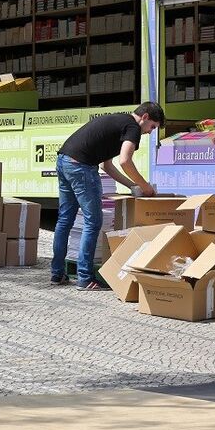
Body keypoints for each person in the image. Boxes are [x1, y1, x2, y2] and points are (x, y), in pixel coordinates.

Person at [51, 102, 165, 290]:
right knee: (93, 221)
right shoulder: (132, 127)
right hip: (81, 166)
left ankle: (57, 274)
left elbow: (107, 166)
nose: (150, 132)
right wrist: (145, 187)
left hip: (64, 160)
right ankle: (85, 278)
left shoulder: (118, 121)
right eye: (152, 127)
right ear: (144, 117)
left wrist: (132, 186)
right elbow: (125, 160)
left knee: (65, 220)